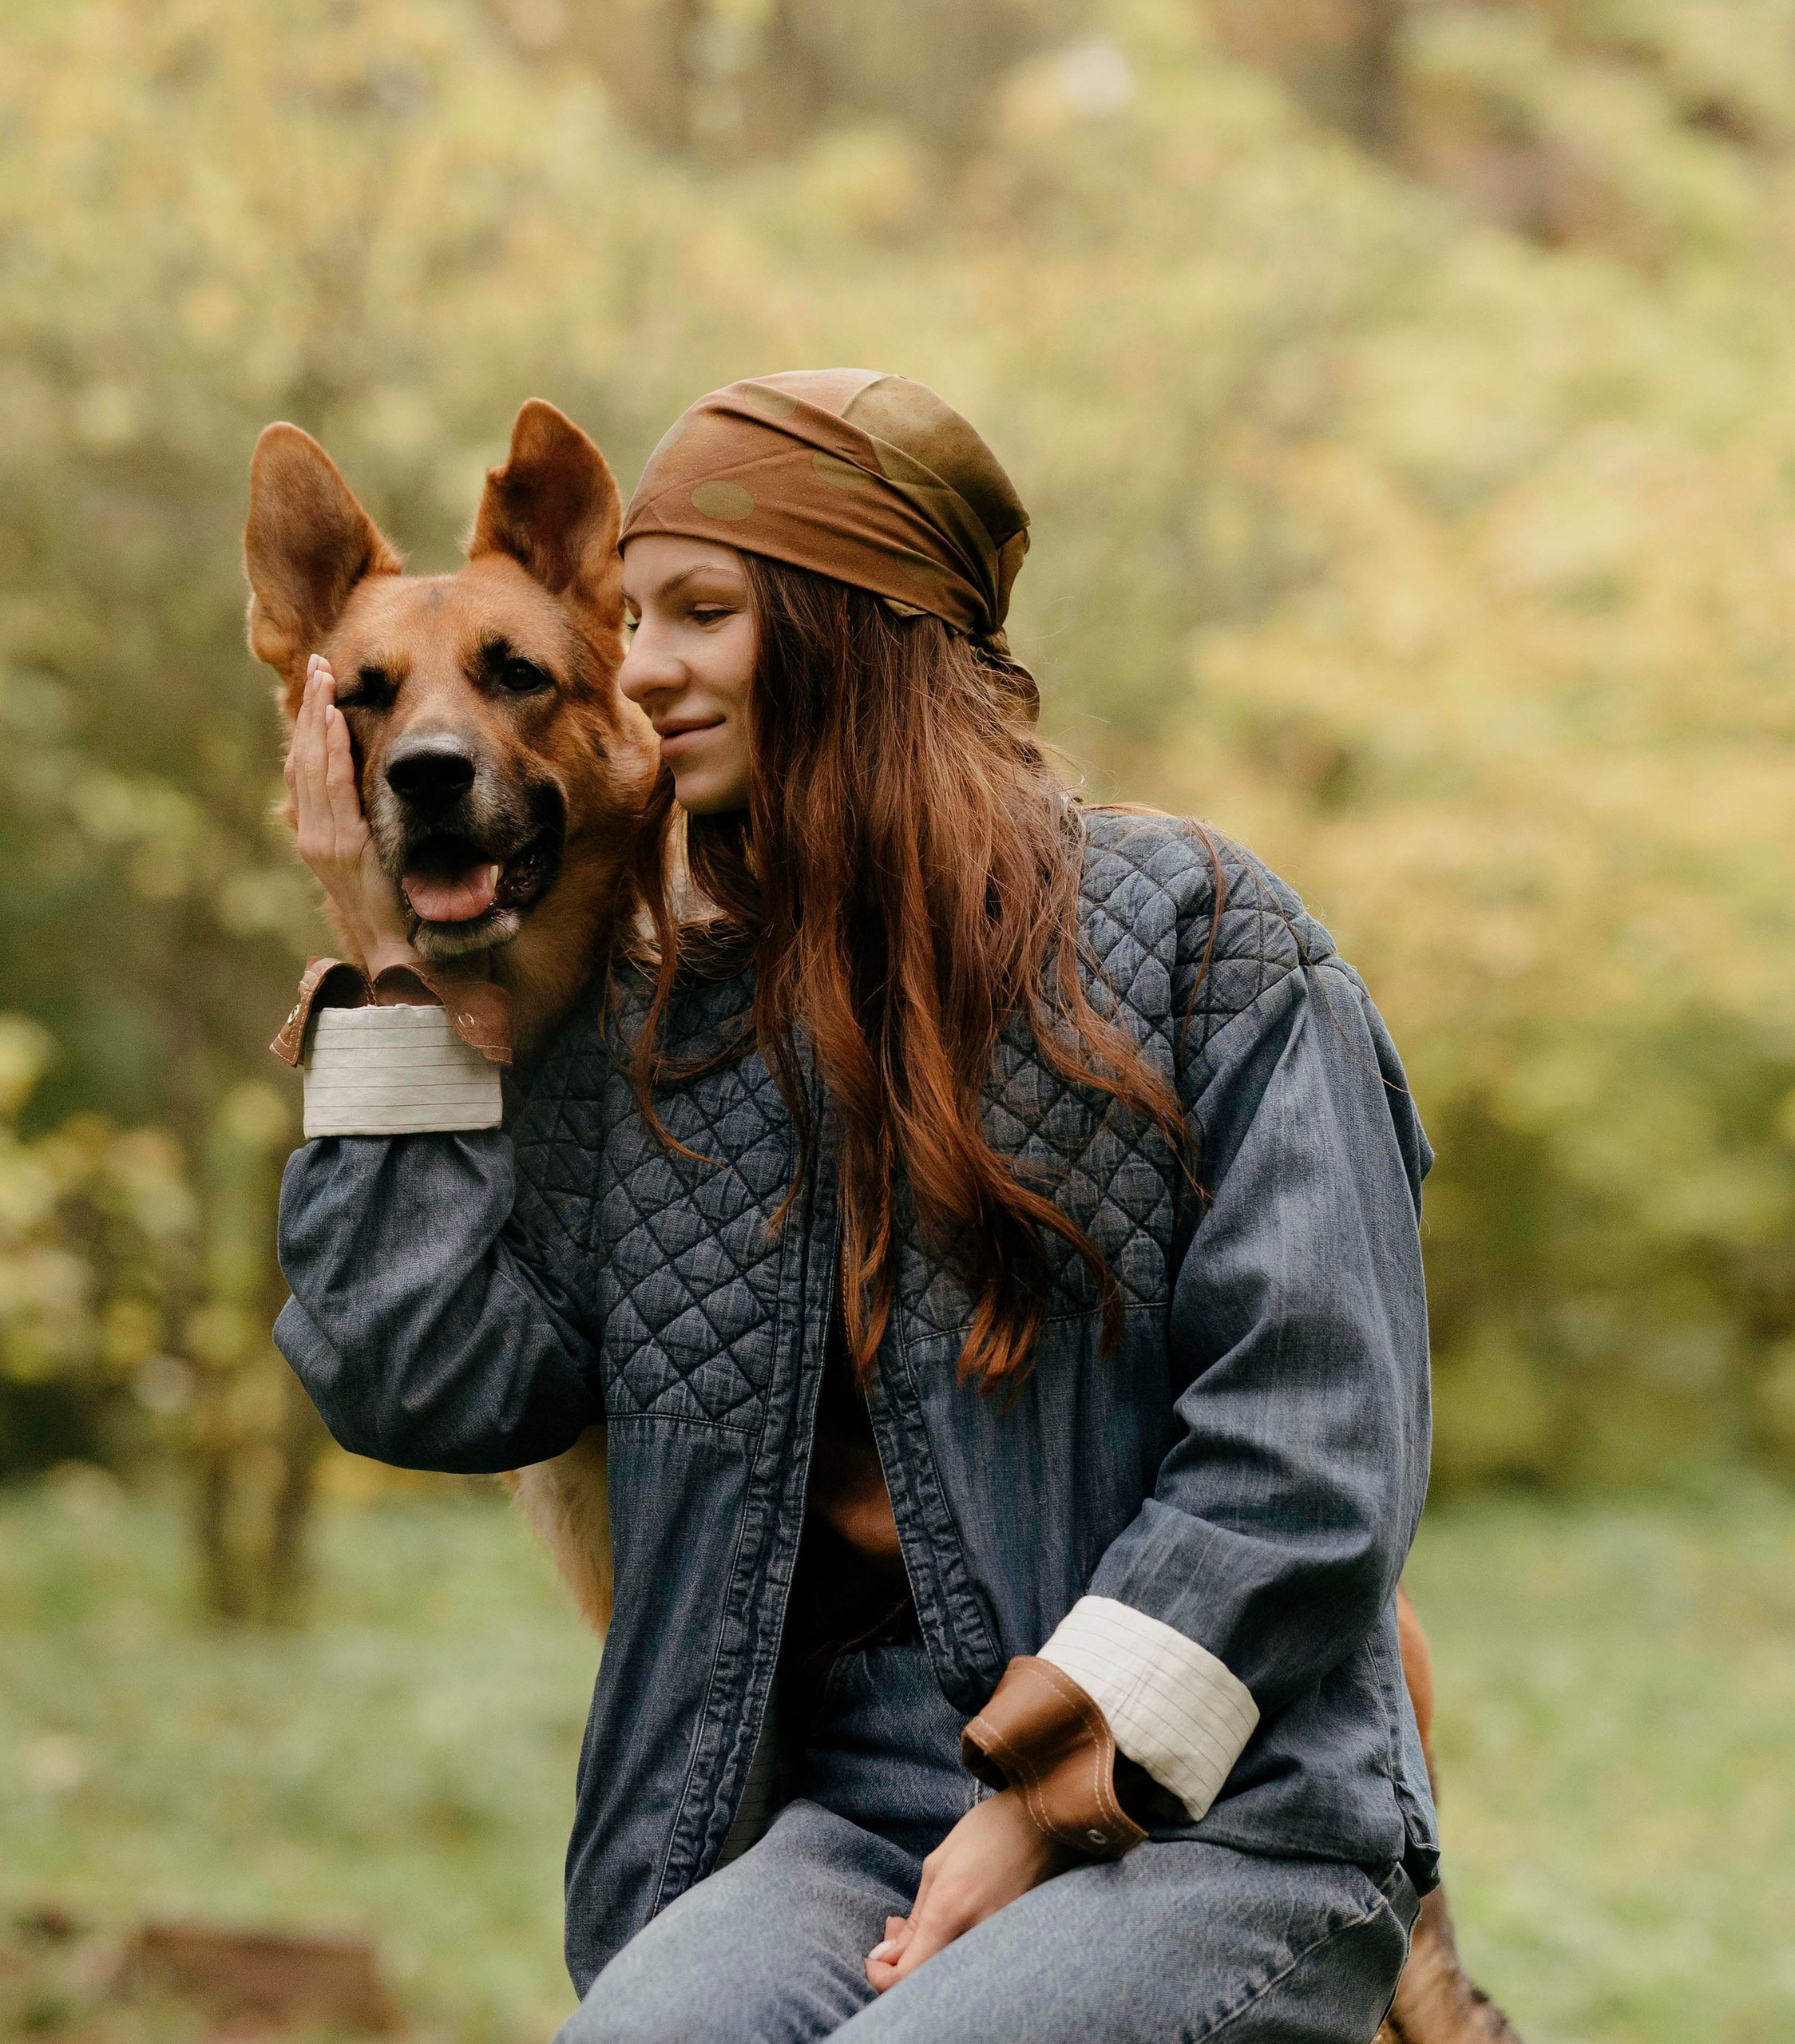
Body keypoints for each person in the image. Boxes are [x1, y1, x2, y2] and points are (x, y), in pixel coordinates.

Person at [273, 370, 1439, 2042]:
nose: (640, 657)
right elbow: (423, 1378)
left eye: (698, 610)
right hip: (839, 1819)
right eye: (633, 610)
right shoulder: (659, 1030)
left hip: (1217, 1801)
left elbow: (1311, 1436)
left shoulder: (1202, 939)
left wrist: (1037, 1801)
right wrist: (380, 956)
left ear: (853, 628)